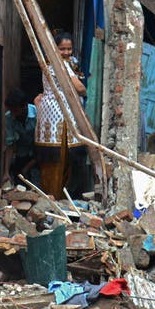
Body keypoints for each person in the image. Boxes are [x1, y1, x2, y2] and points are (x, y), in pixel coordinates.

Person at [35, 31, 87, 198]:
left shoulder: (49, 63)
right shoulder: (61, 65)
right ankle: (57, 195)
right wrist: (85, 91)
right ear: (54, 48)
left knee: (52, 157)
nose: (66, 52)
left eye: (69, 49)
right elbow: (79, 87)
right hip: (60, 112)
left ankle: (50, 193)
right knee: (61, 156)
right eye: (62, 49)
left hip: (49, 112)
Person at [2, 88, 37, 185]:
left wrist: (27, 168)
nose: (13, 114)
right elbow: (10, 145)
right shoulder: (9, 117)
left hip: (39, 154)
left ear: (25, 106)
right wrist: (6, 172)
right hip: (22, 154)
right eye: (11, 111)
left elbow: (42, 147)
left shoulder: (37, 113)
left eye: (16, 110)